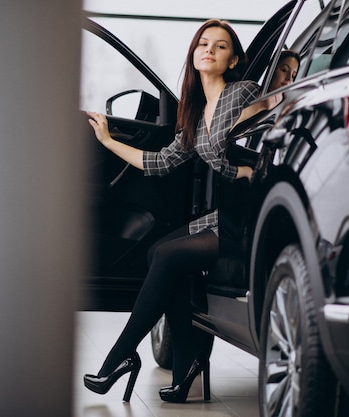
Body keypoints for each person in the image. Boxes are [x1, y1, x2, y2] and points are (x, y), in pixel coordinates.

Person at [84, 19, 260, 404]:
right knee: (157, 253)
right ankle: (186, 368)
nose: (209, 50)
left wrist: (246, 168)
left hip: (244, 219)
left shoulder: (244, 93)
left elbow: (270, 121)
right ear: (194, 54)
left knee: (165, 254)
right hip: (218, 217)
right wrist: (108, 140)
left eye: (220, 46)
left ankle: (119, 358)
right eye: (203, 43)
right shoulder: (195, 112)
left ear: (233, 60)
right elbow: (158, 163)